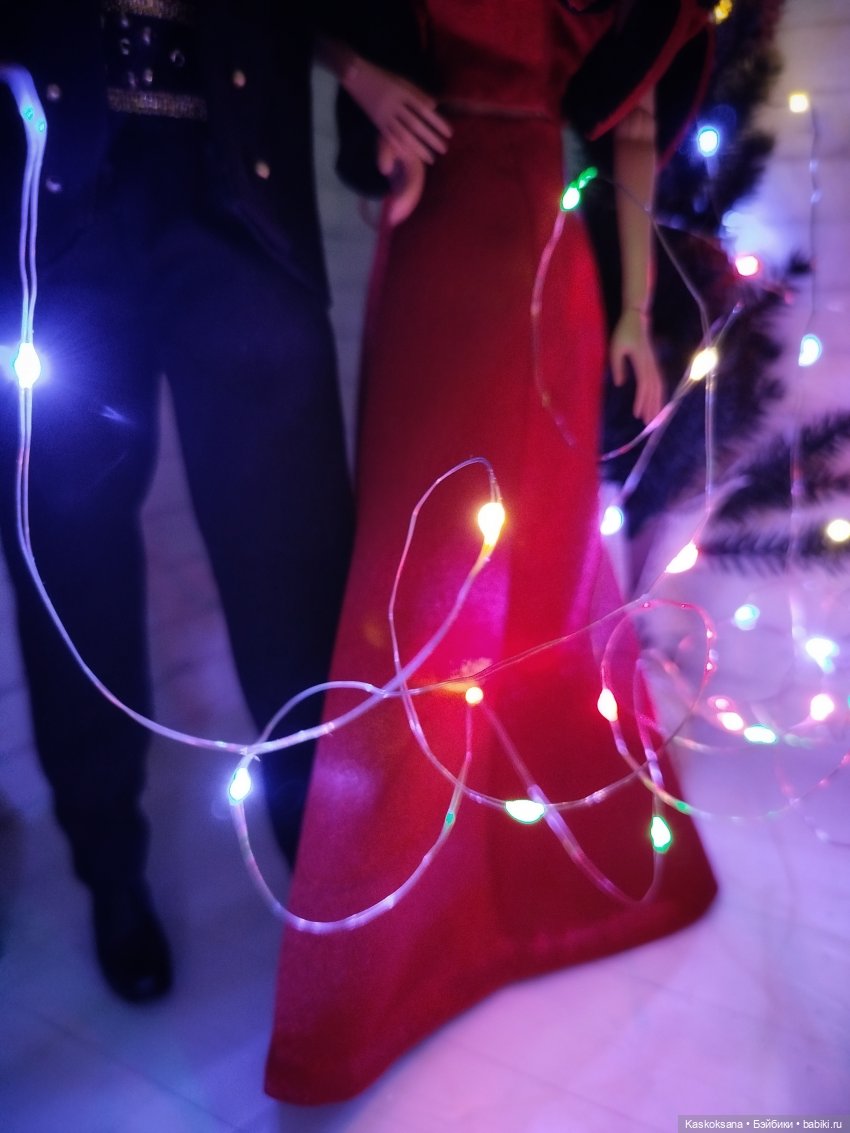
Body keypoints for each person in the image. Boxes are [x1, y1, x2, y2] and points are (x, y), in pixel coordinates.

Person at [265, 0, 718, 1104]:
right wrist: (364, 82)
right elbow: (312, 17)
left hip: (540, 254)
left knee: (545, 567)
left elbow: (633, 125)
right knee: (414, 573)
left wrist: (634, 308)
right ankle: (393, 929)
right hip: (430, 244)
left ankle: (523, 879)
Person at [0, 0, 449, 1004]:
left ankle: (328, 861)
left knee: (294, 555)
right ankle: (110, 870)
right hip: (56, 204)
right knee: (69, 562)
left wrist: (366, 86)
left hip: (239, 185)